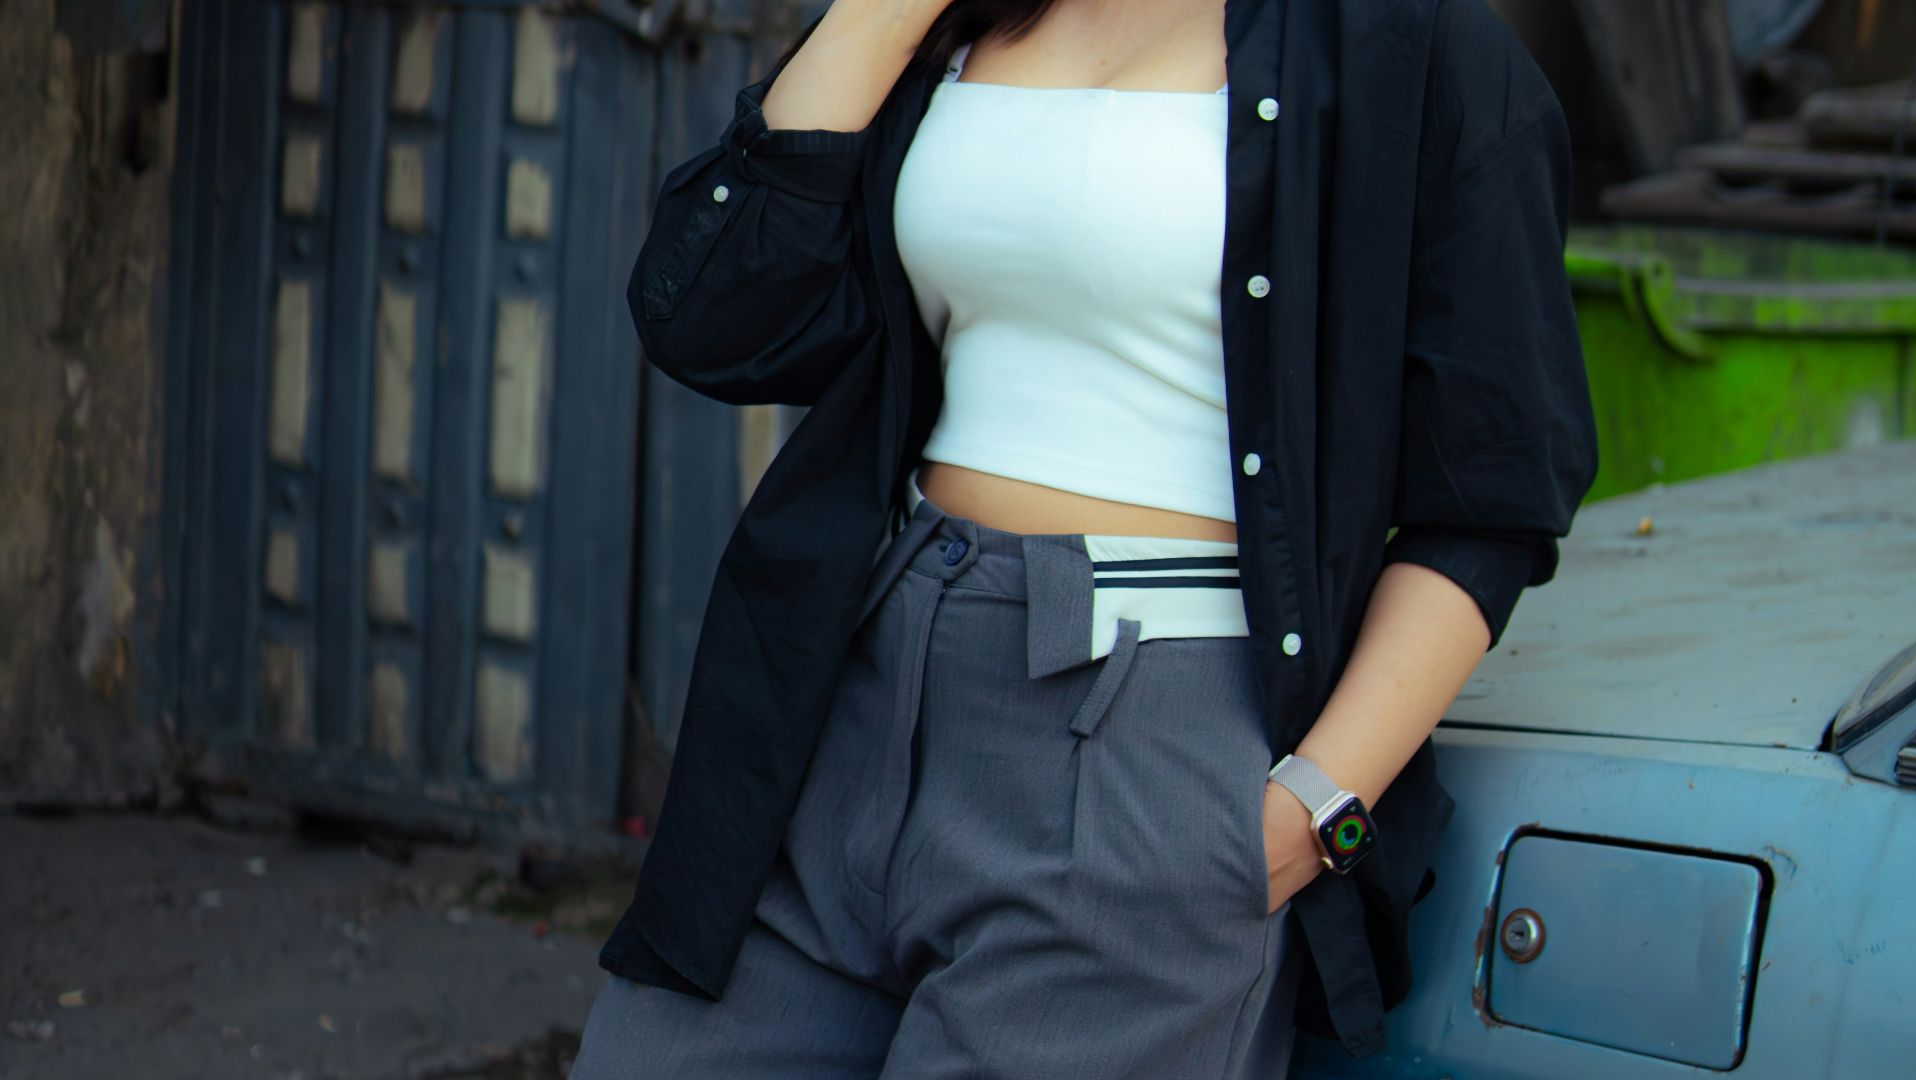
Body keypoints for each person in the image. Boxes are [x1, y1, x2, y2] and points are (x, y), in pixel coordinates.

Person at [572, 0, 1598, 1075]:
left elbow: (1489, 494)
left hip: (1144, 742)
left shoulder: (1409, 45)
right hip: (857, 701)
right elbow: (711, 317)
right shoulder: (948, 25)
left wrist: (1310, 816)